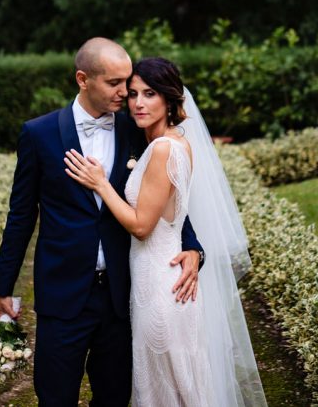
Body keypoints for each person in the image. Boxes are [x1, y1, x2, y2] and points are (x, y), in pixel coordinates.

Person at [0, 38, 205, 406]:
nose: (126, 93)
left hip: (123, 294)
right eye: (115, 83)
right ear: (83, 79)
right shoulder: (39, 134)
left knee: (114, 398)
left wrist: (193, 248)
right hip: (62, 294)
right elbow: (21, 216)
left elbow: (164, 195)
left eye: (128, 83)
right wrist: (2, 288)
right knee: (55, 398)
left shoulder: (136, 128)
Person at [64, 57, 267, 407]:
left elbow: (142, 226)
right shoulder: (171, 142)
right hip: (158, 278)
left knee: (168, 388)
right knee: (178, 385)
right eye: (133, 94)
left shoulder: (163, 148)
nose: (138, 103)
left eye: (150, 94)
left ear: (169, 98)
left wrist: (100, 184)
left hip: (161, 285)